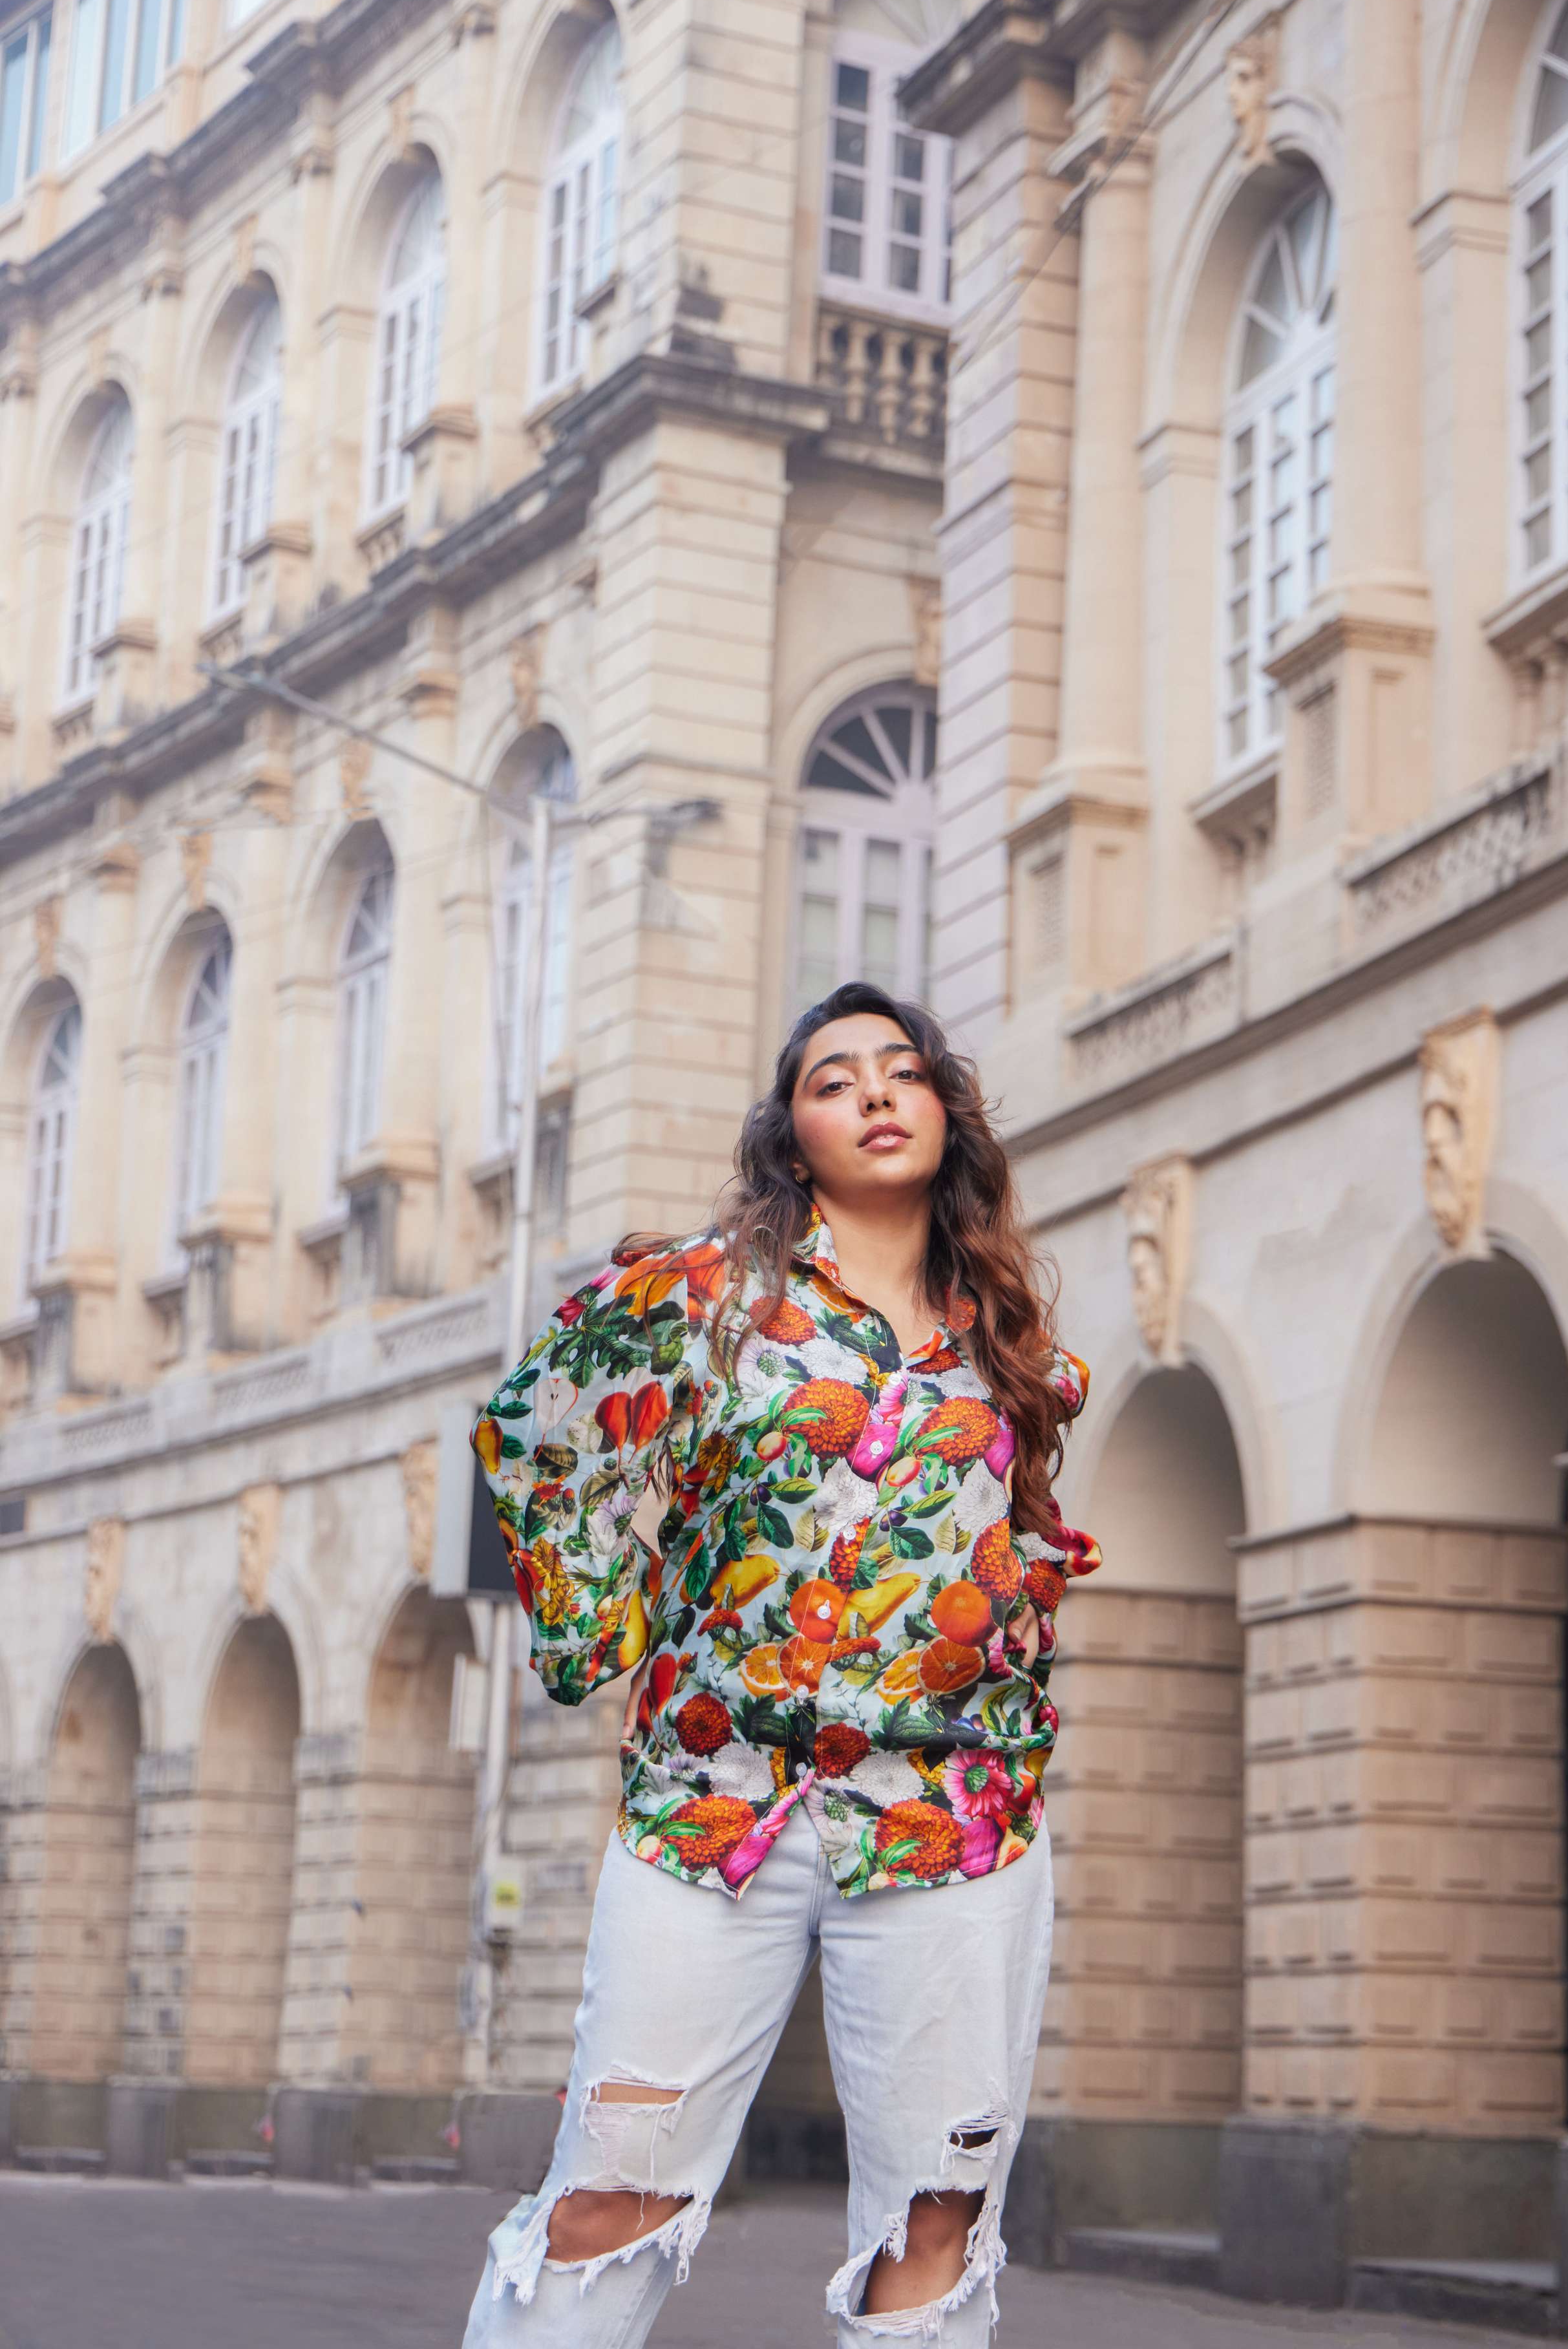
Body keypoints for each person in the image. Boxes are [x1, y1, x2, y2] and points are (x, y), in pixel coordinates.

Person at [462, 979, 1096, 2346]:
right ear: (790, 1131)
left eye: (903, 1069)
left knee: (935, 2219)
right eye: (833, 1078)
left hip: (952, 1821)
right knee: (611, 2197)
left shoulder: (1013, 1344)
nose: (874, 1091)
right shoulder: (706, 1298)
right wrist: (608, 1640)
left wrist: (1011, 1616)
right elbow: (537, 1439)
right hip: (714, 1803)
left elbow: (1013, 1543)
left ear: (945, 1112)